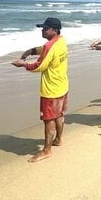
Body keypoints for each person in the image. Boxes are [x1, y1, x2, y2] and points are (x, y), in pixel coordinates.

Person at [12, 17, 69, 163]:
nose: (42, 30)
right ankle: (59, 139)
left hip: (51, 90)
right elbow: (46, 51)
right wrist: (31, 50)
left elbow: (39, 66)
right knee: (59, 115)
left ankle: (46, 150)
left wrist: (22, 64)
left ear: (54, 30)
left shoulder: (51, 46)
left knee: (48, 120)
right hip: (62, 85)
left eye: (45, 28)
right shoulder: (61, 41)